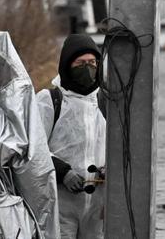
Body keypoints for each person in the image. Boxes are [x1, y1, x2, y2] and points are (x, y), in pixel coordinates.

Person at [36, 34, 106, 238]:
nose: (88, 67)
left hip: (97, 207)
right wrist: (63, 172)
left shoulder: (104, 101)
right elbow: (33, 148)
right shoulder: (49, 100)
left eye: (92, 62)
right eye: (81, 63)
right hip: (59, 204)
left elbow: (117, 146)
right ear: (67, 65)